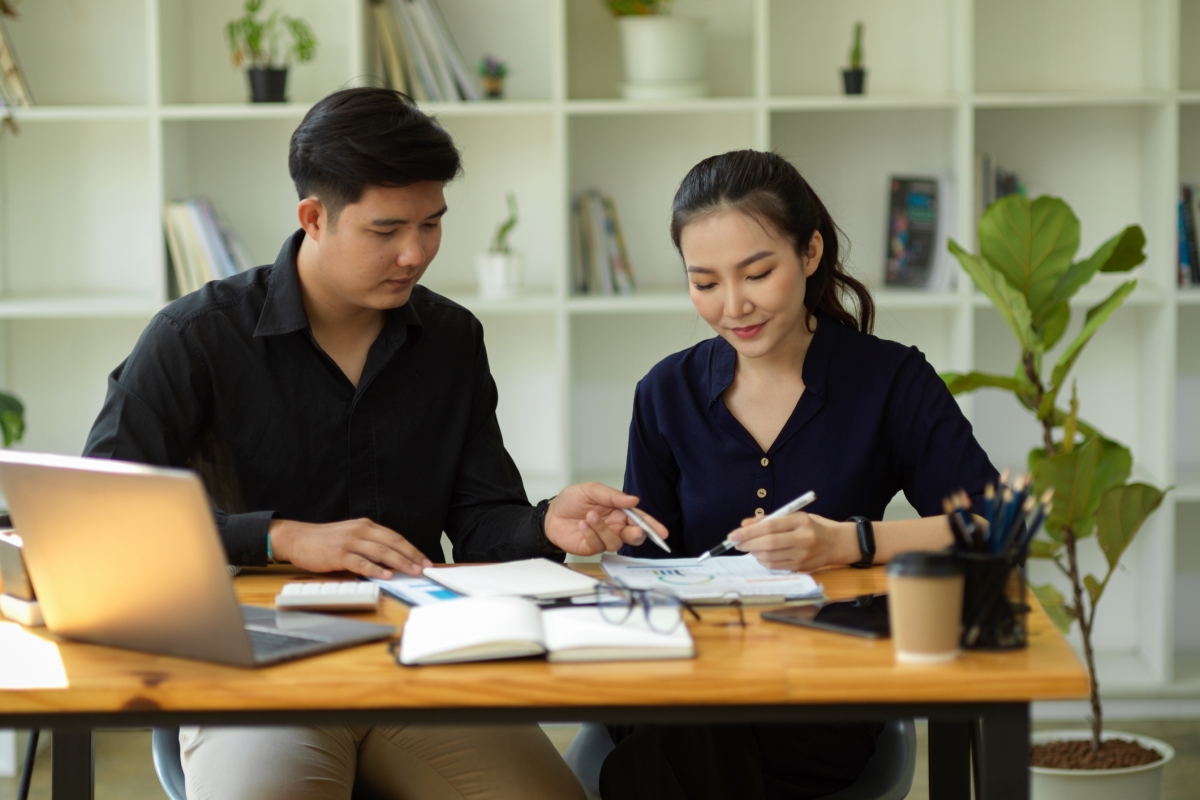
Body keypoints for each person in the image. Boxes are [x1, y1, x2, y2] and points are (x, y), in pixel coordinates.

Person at [82, 88, 666, 800]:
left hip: (420, 667)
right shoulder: (195, 339)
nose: (415, 252)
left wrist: (547, 523)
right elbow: (100, 522)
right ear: (314, 218)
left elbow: (481, 520)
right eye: (386, 230)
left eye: (431, 224)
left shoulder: (451, 339)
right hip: (257, 673)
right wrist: (279, 538)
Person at [599, 150, 999, 800]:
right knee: (681, 726)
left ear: (810, 253)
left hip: (820, 689)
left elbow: (988, 526)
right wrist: (612, 532)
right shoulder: (664, 392)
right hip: (681, 669)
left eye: (757, 273)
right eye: (704, 283)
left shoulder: (890, 380)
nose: (734, 306)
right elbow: (647, 555)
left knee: (668, 756)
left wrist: (851, 543)